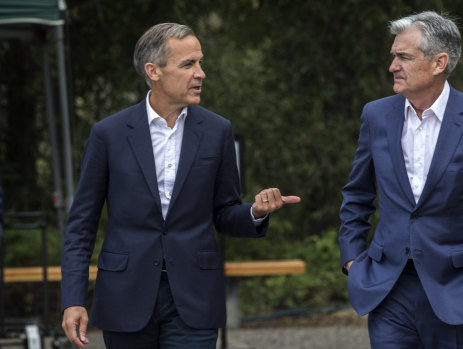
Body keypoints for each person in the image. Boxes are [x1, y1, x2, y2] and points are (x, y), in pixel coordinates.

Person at [61, 23, 300, 349]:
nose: (200, 73)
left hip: (195, 297)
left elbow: (225, 213)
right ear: (153, 71)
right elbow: (80, 226)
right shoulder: (109, 133)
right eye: (188, 64)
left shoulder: (218, 130)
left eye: (200, 63)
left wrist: (255, 212)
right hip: (125, 296)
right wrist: (73, 300)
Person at [339, 11, 463, 349]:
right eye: (393, 56)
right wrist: (353, 261)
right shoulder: (377, 116)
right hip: (388, 289)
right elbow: (356, 196)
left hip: (461, 292)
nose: (392, 65)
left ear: (439, 63)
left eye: (403, 57)